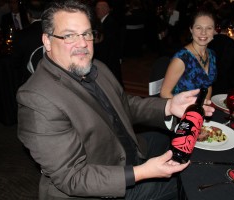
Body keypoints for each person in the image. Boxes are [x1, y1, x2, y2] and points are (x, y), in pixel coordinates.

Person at [16, 1, 214, 199]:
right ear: (48, 41)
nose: (83, 43)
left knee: (171, 140)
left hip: (124, 149)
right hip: (100, 186)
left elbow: (124, 105)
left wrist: (169, 106)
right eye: (69, 35)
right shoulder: (37, 100)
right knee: (183, 185)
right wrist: (143, 172)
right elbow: (72, 178)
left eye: (86, 33)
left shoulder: (97, 67)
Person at [160, 8, 217, 100]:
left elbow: (208, 86)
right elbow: (164, 93)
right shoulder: (182, 58)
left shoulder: (211, 55)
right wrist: (190, 109)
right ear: (191, 30)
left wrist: (205, 106)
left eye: (209, 28)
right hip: (180, 110)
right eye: (198, 28)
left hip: (199, 110)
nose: (203, 32)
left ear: (214, 31)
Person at [11, 0, 45, 86]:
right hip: (53, 75)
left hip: (30, 80)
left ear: (28, 15)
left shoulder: (21, 35)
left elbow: (15, 63)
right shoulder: (52, 30)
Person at [94, 0, 123, 86]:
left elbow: (108, 42)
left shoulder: (110, 22)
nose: (96, 11)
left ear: (105, 9)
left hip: (109, 57)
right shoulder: (104, 21)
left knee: (113, 80)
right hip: (108, 56)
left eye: (98, 9)